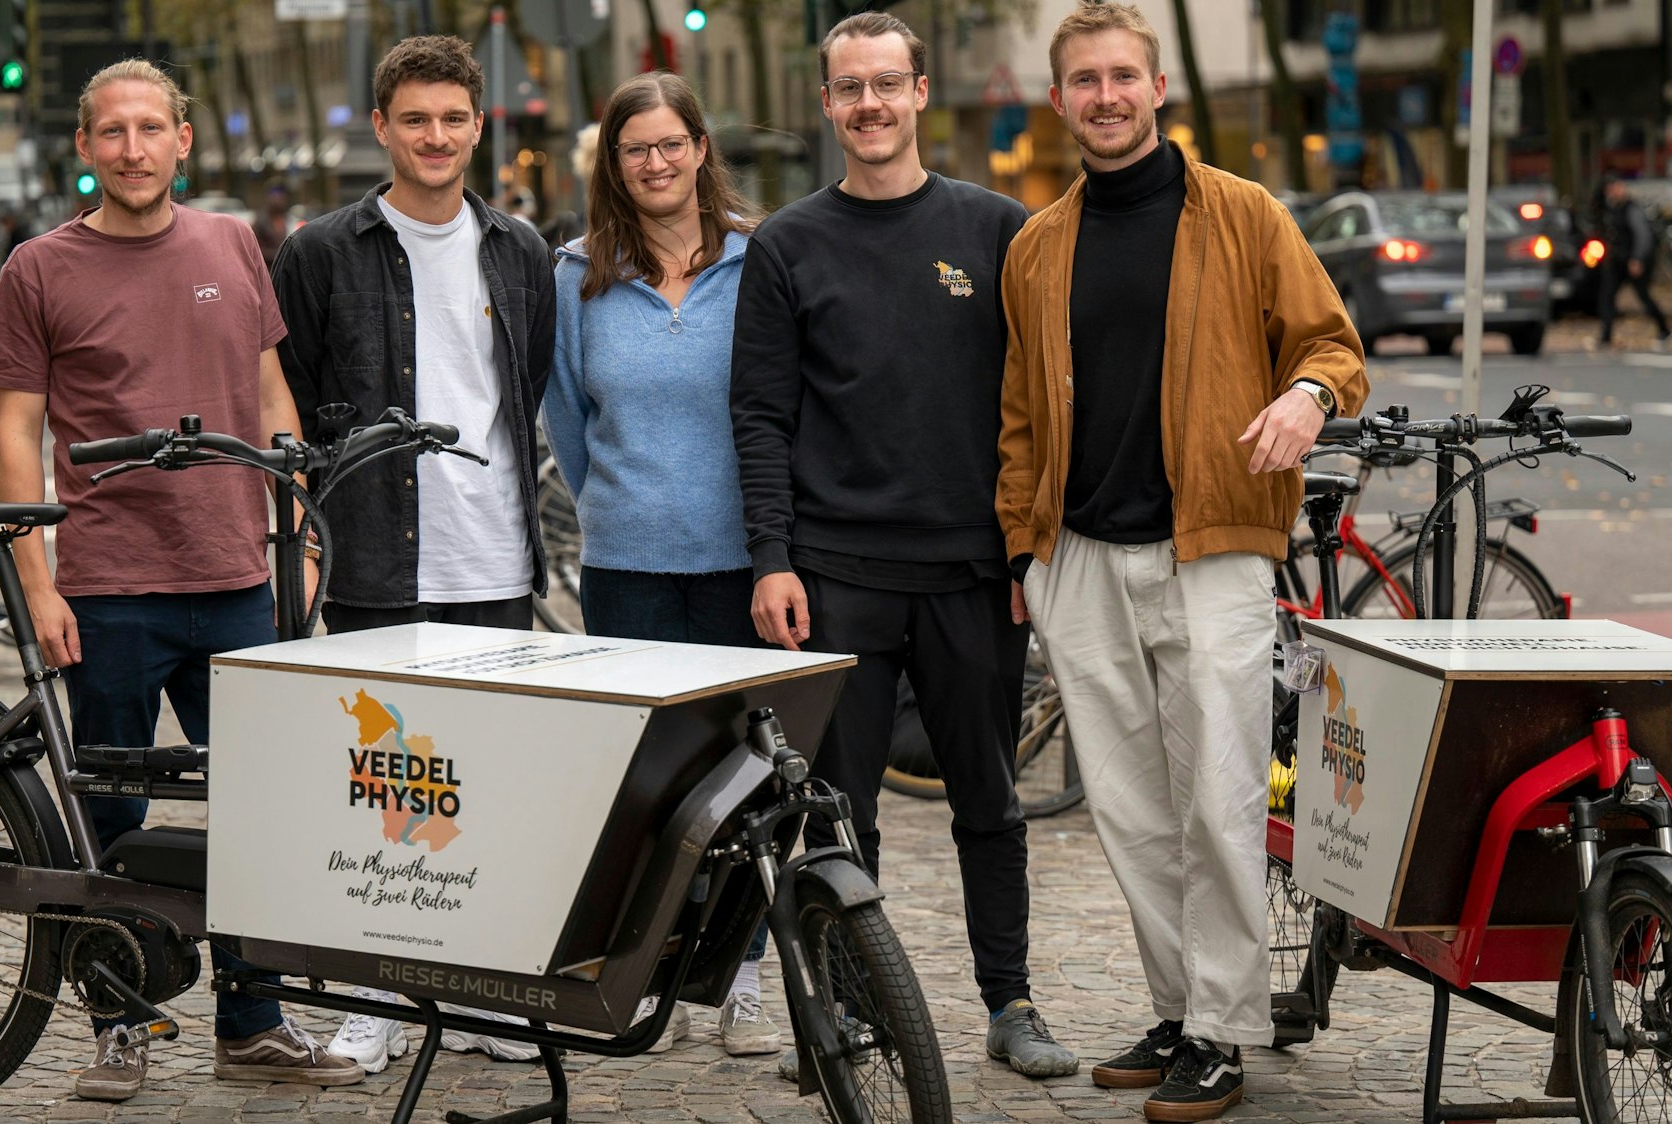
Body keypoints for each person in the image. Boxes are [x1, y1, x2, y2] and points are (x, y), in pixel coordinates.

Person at [995, 5, 1367, 1120]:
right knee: (1130, 810)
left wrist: (1307, 398)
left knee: (1220, 800)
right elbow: (1019, 417)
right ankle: (1180, 1011)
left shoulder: (1243, 214)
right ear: (1059, 101)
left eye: (1124, 76)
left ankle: (1223, 1032)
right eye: (1085, 81)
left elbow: (1332, 344)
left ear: (1158, 89)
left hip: (1211, 548)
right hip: (1079, 559)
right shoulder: (1036, 245)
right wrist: (1024, 550)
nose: (1106, 97)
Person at [0, 59, 362, 1103]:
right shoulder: (38, 269)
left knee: (265, 806)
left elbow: (269, 393)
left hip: (237, 579)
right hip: (109, 588)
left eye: (151, 128)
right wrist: (37, 582)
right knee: (111, 818)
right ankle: (120, 1022)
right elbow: (16, 432)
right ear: (85, 147)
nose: (133, 147)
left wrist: (298, 525)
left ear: (183, 140)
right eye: (113, 131)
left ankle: (254, 1023)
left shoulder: (233, 242)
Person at [731, 10, 1078, 1083]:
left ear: (921, 92)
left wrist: (1026, 551)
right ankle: (842, 1012)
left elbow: (1040, 401)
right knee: (839, 815)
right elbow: (761, 415)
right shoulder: (787, 245)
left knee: (991, 803)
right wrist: (773, 558)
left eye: (887, 83)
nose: (870, 104)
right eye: (850, 87)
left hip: (973, 575)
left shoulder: (997, 229)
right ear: (827, 104)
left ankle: (1011, 1001)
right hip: (836, 576)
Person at [270, 33, 556, 1071]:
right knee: (388, 788)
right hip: (375, 563)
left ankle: (474, 997)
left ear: (479, 127)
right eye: (416, 119)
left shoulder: (521, 251)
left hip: (495, 558)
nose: (436, 137)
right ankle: (378, 994)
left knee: (483, 785)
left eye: (454, 119)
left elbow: (525, 389)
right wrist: (307, 539)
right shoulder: (318, 252)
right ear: (382, 128)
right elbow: (294, 404)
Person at [545, 70, 779, 1058]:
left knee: (748, 778)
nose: (654, 162)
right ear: (613, 161)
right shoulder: (576, 274)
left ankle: (746, 973)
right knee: (650, 785)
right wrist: (623, 501)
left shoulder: (760, 258)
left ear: (699, 147)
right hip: (629, 566)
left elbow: (781, 403)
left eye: (670, 143)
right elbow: (567, 417)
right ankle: (663, 968)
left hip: (744, 563)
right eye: (634, 148)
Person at [1598, 177, 1672, 349]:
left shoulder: (1632, 209)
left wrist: (1637, 258)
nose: (1613, 193)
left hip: (1633, 261)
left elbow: (1642, 236)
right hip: (1618, 261)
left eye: (1615, 188)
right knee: (1607, 295)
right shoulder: (1612, 209)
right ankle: (1606, 337)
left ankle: (1664, 329)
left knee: (1643, 295)